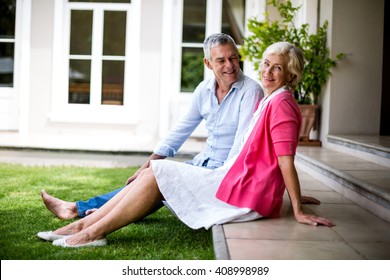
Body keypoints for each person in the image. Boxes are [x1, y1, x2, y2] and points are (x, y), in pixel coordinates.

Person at [37, 41, 334, 248]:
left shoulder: (280, 103)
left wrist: (296, 207)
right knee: (155, 170)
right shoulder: (271, 99)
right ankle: (83, 227)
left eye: (277, 69)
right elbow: (267, 158)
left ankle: (90, 230)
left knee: (158, 173)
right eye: (266, 64)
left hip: (240, 190)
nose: (267, 72)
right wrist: (286, 190)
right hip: (236, 180)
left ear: (291, 75)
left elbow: (285, 159)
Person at [41, 33, 263, 220]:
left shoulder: (251, 91)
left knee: (161, 179)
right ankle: (83, 209)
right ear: (208, 63)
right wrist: (144, 167)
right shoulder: (203, 90)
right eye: (221, 60)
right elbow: (179, 131)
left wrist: (219, 180)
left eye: (233, 58)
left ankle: (82, 210)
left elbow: (241, 146)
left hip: (223, 172)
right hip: (201, 163)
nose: (230, 65)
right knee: (150, 177)